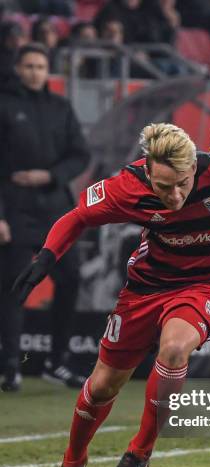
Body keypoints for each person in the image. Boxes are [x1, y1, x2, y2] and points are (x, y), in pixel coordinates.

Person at [13, 122, 210, 467]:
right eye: (164, 187)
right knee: (103, 385)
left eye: (183, 182)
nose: (176, 195)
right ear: (148, 173)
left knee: (176, 349)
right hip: (146, 288)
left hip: (207, 286)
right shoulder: (127, 187)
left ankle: (139, 454)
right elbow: (76, 217)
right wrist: (46, 257)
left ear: (194, 167)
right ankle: (72, 463)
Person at [0, 43, 90, 391]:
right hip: (14, 207)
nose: (35, 71)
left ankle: (58, 361)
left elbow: (79, 155)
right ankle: (11, 366)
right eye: (29, 65)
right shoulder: (5, 104)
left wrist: (49, 176)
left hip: (55, 207)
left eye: (40, 66)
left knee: (70, 279)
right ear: (19, 68)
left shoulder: (60, 107)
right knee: (14, 287)